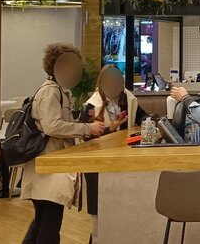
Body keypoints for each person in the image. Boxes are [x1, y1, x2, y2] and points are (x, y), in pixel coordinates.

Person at [21, 43, 105, 244]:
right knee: (49, 225)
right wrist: (86, 129)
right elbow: (52, 126)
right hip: (48, 165)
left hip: (49, 165)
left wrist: (84, 126)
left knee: (42, 222)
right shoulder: (51, 92)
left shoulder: (58, 91)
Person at [81, 65, 147, 243]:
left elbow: (142, 116)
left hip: (121, 161)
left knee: (120, 208)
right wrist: (110, 129)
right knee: (99, 211)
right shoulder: (92, 106)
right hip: (98, 164)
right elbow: (85, 135)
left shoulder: (128, 100)